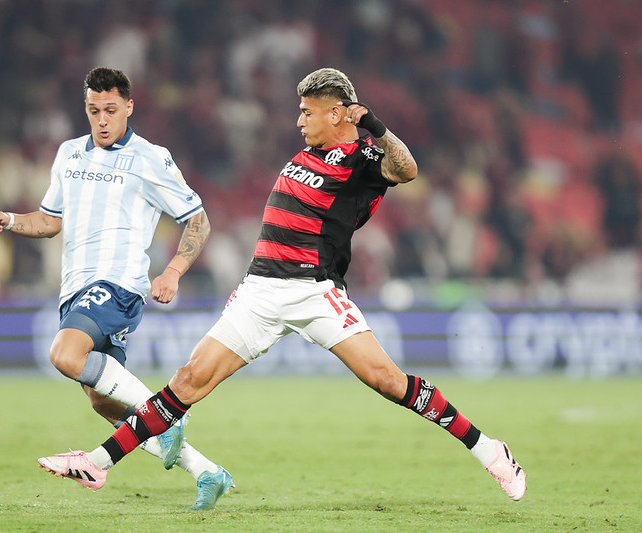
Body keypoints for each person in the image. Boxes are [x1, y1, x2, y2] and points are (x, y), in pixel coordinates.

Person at [39, 68, 527, 505]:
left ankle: (490, 450)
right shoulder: (306, 154)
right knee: (188, 382)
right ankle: (97, 464)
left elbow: (407, 170)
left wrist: (374, 124)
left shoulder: (362, 157)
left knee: (388, 381)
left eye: (307, 112)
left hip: (315, 291)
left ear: (338, 113)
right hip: (259, 291)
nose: (299, 121)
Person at [0, 67, 233, 510]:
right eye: (94, 110)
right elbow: (50, 221)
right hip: (74, 288)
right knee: (102, 400)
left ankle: (169, 417)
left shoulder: (150, 158)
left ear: (129, 107)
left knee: (63, 354)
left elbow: (197, 218)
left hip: (118, 284)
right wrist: (12, 221)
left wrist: (173, 270)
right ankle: (207, 472)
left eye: (111, 110)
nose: (102, 119)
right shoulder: (68, 155)